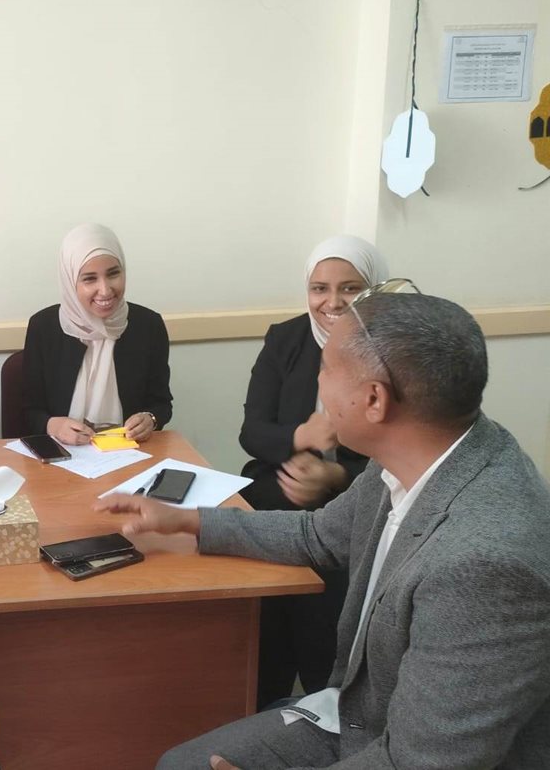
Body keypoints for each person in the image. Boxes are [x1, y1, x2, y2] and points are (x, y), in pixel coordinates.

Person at [97, 291, 550, 769]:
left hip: (397, 748)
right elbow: (317, 535)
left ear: (374, 399)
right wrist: (187, 520)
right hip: (362, 718)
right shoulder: (414, 454)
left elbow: (423, 761)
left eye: (327, 368)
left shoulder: (484, 566)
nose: (318, 381)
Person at [239, 235, 388, 708]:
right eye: (319, 288)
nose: (333, 302)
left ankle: (326, 700)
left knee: (320, 598)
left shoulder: (392, 350)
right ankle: (262, 698)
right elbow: (253, 432)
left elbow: (400, 452)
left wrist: (337, 478)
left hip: (355, 500)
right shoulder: (285, 339)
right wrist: (301, 437)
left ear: (374, 288)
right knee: (262, 604)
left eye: (350, 288)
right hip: (279, 488)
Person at [22, 223, 171, 444]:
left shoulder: (148, 325)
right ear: (70, 280)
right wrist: (53, 425)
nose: (105, 290)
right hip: (62, 451)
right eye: (89, 279)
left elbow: (161, 404)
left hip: (128, 451)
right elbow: (29, 410)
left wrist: (150, 419)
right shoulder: (44, 327)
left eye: (113, 274)